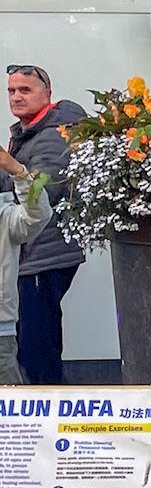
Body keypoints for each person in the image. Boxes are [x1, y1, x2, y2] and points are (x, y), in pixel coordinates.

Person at [4, 65, 85, 384]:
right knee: (33, 338)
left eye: (25, 90)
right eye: (11, 90)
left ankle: (47, 411)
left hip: (41, 253)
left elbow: (44, 190)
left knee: (37, 344)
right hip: (35, 251)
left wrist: (11, 173)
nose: (16, 97)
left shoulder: (52, 135)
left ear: (47, 94)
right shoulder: (29, 132)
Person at [0, 142, 51, 383]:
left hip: (0, 335)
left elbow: (38, 215)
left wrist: (20, 173)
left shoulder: (5, 216)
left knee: (11, 417)